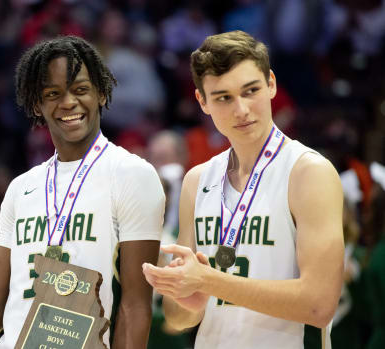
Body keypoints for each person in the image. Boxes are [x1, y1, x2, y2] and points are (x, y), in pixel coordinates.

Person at [0, 35, 165, 348]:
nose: (68, 102)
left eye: (80, 89)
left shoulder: (132, 175)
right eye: (53, 94)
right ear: (37, 104)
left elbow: (135, 305)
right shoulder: (22, 188)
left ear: (101, 93)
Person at [142, 30, 344, 348]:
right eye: (224, 97)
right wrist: (188, 297)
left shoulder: (308, 173)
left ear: (272, 84)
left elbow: (318, 305)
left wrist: (211, 281)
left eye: (250, 91)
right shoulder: (197, 181)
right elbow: (178, 318)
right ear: (202, 102)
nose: (241, 109)